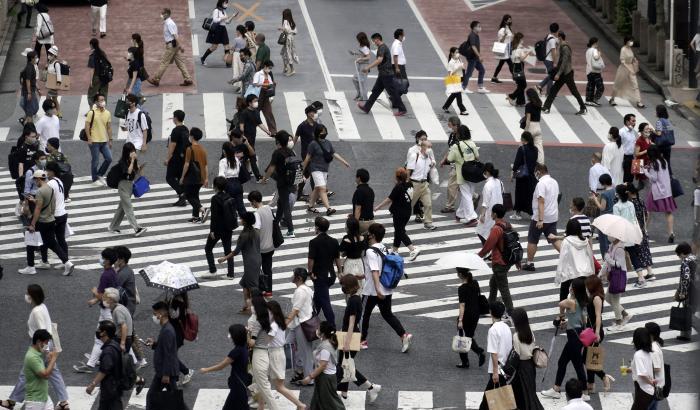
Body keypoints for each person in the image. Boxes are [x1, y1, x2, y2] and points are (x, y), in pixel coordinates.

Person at [1, 285, 70, 410]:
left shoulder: (36, 311)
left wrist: (46, 350)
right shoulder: (42, 307)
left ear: (32, 296)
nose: (26, 295)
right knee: (54, 372)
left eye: (27, 293)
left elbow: (42, 330)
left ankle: (12, 401)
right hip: (46, 344)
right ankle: (63, 401)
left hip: (40, 346)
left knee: (25, 373)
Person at [360, 223, 413, 351]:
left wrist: (377, 290)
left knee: (363, 315)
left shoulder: (370, 251)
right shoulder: (385, 248)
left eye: (368, 233)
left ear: (372, 235)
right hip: (387, 289)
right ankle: (403, 335)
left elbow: (375, 271)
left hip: (372, 290)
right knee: (387, 314)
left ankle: (362, 341)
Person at [541, 278, 590, 400]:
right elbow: (583, 320)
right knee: (563, 362)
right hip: (578, 335)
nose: (569, 288)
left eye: (571, 286)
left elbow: (561, 303)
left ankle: (584, 392)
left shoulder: (571, 302)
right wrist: (568, 323)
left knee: (577, 364)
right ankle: (556, 389)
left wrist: (561, 315)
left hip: (573, 337)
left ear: (573, 289)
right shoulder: (582, 302)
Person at [19, 169, 74, 276]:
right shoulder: (50, 188)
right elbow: (51, 204)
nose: (35, 182)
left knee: (30, 242)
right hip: (50, 220)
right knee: (52, 243)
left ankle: (30, 267)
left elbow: (38, 209)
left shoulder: (40, 191)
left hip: (41, 221)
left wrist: (33, 224)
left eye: (35, 180)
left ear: (39, 179)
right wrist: (35, 201)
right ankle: (67, 262)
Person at [74, 247, 119, 373]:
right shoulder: (112, 272)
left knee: (104, 337)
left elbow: (104, 296)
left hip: (107, 311)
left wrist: (95, 294)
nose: (101, 259)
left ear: (108, 261)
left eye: (103, 258)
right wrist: (95, 300)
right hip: (109, 309)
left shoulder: (106, 275)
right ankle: (92, 362)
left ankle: (91, 365)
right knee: (104, 337)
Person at [337, 275, 381, 402]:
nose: (342, 288)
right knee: (345, 365)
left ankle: (371, 387)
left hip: (349, 336)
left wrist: (346, 343)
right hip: (351, 335)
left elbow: (351, 323)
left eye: (343, 285)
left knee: (345, 366)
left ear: (348, 286)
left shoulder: (353, 301)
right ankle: (344, 393)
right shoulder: (356, 298)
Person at [199, 324, 250, 410]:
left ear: (235, 337)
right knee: (233, 405)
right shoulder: (245, 345)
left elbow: (221, 366)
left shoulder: (235, 352)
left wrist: (206, 370)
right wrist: (247, 331)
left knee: (237, 405)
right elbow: (247, 335)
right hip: (244, 380)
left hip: (237, 382)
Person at [374, 167, 420, 260]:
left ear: (397, 177)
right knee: (398, 230)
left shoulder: (398, 187)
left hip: (399, 213)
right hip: (407, 211)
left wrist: (378, 207)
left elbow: (389, 199)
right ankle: (395, 250)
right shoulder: (410, 184)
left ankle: (412, 249)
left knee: (400, 231)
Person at [303, 124, 350, 215]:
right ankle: (328, 208)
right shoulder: (313, 144)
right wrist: (302, 170)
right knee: (322, 188)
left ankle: (310, 206)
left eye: (325, 131)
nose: (324, 133)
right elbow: (307, 158)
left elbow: (334, 153)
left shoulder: (328, 142)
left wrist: (344, 162)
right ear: (317, 133)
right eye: (322, 132)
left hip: (325, 169)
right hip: (315, 169)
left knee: (317, 188)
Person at [219, 212, 261, 313]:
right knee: (245, 284)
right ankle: (247, 306)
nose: (240, 220)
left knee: (252, 288)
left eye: (241, 219)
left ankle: (256, 309)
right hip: (257, 260)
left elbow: (236, 251)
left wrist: (224, 258)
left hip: (250, 263)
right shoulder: (256, 232)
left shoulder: (245, 235)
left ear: (245, 221)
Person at [357, 33, 407, 116]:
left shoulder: (382, 48)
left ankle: (402, 109)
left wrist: (368, 67)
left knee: (393, 92)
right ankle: (366, 107)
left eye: (373, 41)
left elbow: (379, 60)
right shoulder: (382, 47)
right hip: (383, 74)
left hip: (386, 75)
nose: (373, 43)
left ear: (377, 39)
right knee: (375, 91)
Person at [613, 184, 653, 288]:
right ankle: (638, 277)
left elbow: (617, 222)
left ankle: (639, 278)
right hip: (632, 232)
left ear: (618, 194)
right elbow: (634, 218)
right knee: (632, 255)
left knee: (616, 254)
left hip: (622, 234)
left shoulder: (617, 206)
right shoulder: (630, 204)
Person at [522, 164, 559, 271]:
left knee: (532, 240)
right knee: (554, 238)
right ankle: (569, 258)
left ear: (538, 172)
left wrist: (540, 219)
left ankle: (529, 263)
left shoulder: (541, 184)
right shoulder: (554, 182)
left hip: (541, 217)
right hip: (552, 215)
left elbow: (541, 201)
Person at [478, 204, 514, 313]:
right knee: (493, 283)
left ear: (494, 214)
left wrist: (478, 256)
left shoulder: (496, 229)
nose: (490, 214)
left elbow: (488, 246)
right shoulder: (507, 225)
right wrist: (516, 261)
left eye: (491, 212)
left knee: (503, 289)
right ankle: (491, 305)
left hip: (499, 262)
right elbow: (514, 243)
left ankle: (511, 311)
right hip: (508, 260)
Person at [301, 321, 346, 409]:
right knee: (319, 399)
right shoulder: (329, 341)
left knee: (330, 402)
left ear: (323, 333)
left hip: (326, 379)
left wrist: (310, 377)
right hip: (325, 377)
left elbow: (322, 366)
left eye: (318, 328)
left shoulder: (326, 347)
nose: (316, 330)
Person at [145, 301, 181, 409]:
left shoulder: (167, 331)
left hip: (165, 372)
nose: (154, 316)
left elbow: (168, 354)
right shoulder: (166, 328)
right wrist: (155, 344)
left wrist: (166, 374)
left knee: (151, 396)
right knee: (174, 399)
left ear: (161, 314)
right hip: (166, 371)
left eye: (154, 313)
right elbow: (165, 348)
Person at [541, 31, 586, 115]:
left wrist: (558, 74)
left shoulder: (565, 47)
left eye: (557, 37)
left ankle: (583, 108)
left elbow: (564, 62)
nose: (556, 39)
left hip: (567, 74)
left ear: (560, 37)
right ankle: (546, 107)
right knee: (554, 90)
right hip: (563, 73)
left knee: (574, 91)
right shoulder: (562, 46)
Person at [245, 295, 278, 410]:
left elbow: (251, 343)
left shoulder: (257, 322)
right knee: (262, 386)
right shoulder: (267, 318)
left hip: (258, 355)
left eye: (253, 305)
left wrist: (247, 333)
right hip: (265, 353)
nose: (251, 307)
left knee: (264, 388)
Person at [477, 302, 511, 410]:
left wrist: (495, 372)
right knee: (500, 398)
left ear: (491, 312)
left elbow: (493, 352)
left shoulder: (493, 330)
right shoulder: (506, 327)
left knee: (487, 402)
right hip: (505, 367)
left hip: (497, 369)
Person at [108, 142, 147, 237]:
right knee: (128, 207)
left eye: (134, 150)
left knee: (121, 209)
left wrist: (140, 168)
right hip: (123, 186)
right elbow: (128, 172)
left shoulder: (132, 160)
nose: (133, 152)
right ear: (127, 152)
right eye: (131, 151)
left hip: (130, 186)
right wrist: (133, 160)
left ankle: (113, 227)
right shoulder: (123, 162)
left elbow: (136, 172)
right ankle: (137, 228)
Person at [147, 8, 193, 87]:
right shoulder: (167, 22)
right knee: (180, 63)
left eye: (163, 13)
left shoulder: (169, 23)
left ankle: (156, 79)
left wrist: (180, 46)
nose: (161, 15)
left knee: (164, 62)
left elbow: (175, 35)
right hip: (174, 45)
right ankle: (188, 79)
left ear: (167, 14)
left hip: (171, 46)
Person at [583, 276, 614, 393]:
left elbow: (598, 316)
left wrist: (596, 332)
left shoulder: (596, 298)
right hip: (590, 330)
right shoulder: (592, 296)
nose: (586, 287)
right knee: (589, 357)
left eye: (588, 285)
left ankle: (604, 377)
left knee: (586, 358)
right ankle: (590, 384)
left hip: (595, 331)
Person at [86, 321, 126, 410]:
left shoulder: (108, 350)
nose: (97, 332)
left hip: (110, 387)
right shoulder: (115, 344)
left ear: (104, 333)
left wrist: (92, 385)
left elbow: (104, 370)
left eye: (99, 330)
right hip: (116, 385)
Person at [308, 216, 341, 324]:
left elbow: (311, 259)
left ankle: (332, 325)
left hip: (319, 276)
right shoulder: (334, 241)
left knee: (325, 301)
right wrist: (340, 272)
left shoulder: (314, 242)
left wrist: (310, 272)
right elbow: (337, 258)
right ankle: (310, 319)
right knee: (318, 298)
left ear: (317, 228)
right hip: (331, 275)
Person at [262, 133, 297, 237]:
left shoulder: (277, 153)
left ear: (277, 142)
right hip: (291, 181)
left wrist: (264, 178)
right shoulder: (291, 151)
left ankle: (291, 230)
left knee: (285, 206)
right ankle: (275, 224)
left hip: (282, 182)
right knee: (281, 203)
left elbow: (271, 168)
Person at [445, 125, 479, 226]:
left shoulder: (457, 146)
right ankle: (459, 214)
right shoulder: (472, 143)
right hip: (473, 173)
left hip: (462, 174)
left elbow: (449, 159)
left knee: (466, 195)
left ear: (459, 134)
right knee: (468, 193)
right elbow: (477, 157)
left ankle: (472, 218)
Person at [510, 308, 544, 410]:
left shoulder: (516, 336)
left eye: (513, 319)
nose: (511, 320)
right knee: (529, 390)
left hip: (522, 366)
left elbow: (517, 354)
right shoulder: (530, 333)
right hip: (530, 365)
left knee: (524, 392)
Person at [286, 268, 315, 383]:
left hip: (302, 325)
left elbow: (295, 310)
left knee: (306, 352)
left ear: (298, 278)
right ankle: (299, 370)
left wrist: (285, 323)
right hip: (298, 324)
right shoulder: (306, 289)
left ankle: (308, 378)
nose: (291, 276)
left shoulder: (300, 291)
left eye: (293, 275)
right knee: (287, 345)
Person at [553, 219, 594, 300]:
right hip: (585, 271)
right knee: (584, 292)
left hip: (571, 273)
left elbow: (562, 260)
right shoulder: (585, 241)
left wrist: (558, 278)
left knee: (564, 291)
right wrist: (592, 272)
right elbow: (590, 257)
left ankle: (562, 310)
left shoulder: (566, 241)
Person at [643, 145, 676, 243]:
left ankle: (645, 231)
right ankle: (671, 233)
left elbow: (654, 178)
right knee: (668, 212)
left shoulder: (653, 164)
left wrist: (645, 171)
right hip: (667, 191)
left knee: (648, 210)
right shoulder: (663, 161)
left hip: (656, 191)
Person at [455, 268, 486, 368]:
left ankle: (466, 361)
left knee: (462, 337)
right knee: (469, 336)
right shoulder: (475, 283)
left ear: (460, 274)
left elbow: (462, 306)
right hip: (476, 313)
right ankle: (478, 352)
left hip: (467, 315)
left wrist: (460, 320)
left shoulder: (462, 288)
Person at [205, 177, 235, 277]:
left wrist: (212, 230)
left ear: (215, 186)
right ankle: (231, 274)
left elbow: (214, 216)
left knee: (208, 248)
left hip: (218, 229)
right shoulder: (229, 196)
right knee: (228, 251)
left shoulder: (215, 199)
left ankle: (212, 270)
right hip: (228, 228)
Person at [21, 330, 59, 410]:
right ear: (38, 342)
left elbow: (47, 375)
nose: (46, 346)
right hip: (35, 402)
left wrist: (49, 361)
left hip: (44, 397)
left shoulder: (37, 354)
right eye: (45, 343)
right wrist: (54, 358)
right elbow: (45, 375)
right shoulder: (32, 357)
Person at [603, 235, 632, 332]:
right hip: (613, 276)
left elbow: (618, 264)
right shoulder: (612, 245)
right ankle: (625, 314)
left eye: (610, 235)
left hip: (618, 276)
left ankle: (619, 322)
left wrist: (608, 258)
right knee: (607, 298)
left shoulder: (620, 248)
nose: (608, 236)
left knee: (614, 300)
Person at [240, 94, 271, 181]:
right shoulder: (244, 113)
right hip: (246, 139)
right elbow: (241, 126)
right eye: (254, 101)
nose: (256, 103)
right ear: (249, 103)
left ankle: (243, 173)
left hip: (252, 138)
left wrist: (267, 131)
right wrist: (243, 137)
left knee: (246, 157)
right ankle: (258, 177)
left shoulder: (256, 112)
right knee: (252, 157)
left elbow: (259, 123)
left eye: (257, 101)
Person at [408, 138, 437, 230]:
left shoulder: (429, 158)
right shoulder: (415, 156)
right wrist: (406, 183)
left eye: (431, 147)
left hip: (424, 184)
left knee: (428, 204)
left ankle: (428, 222)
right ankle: (400, 219)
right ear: (422, 147)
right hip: (414, 184)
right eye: (428, 147)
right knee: (409, 205)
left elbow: (432, 166)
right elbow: (408, 171)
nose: (430, 149)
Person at [249, 191, 275, 296]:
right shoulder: (269, 208)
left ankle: (259, 289)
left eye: (251, 202)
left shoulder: (257, 214)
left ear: (254, 201)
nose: (251, 204)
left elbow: (256, 231)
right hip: (270, 245)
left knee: (256, 269)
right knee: (268, 269)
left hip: (261, 247)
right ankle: (269, 290)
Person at [180, 127, 209, 222]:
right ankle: (195, 217)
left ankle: (202, 209)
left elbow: (187, 164)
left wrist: (182, 177)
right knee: (195, 195)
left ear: (191, 136)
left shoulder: (190, 149)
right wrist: (206, 179)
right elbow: (205, 165)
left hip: (192, 177)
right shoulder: (203, 149)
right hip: (201, 177)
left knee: (188, 195)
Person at [85, 93, 113, 187]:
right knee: (95, 161)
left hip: (104, 140)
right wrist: (89, 138)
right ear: (96, 102)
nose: (103, 102)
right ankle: (94, 178)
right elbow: (87, 126)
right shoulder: (91, 112)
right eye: (100, 100)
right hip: (94, 141)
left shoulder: (107, 113)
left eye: (103, 100)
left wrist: (110, 139)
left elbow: (109, 127)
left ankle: (100, 174)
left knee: (109, 158)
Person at [294, 105, 321, 199]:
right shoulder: (302, 126)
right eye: (312, 112)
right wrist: (289, 150)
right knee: (313, 174)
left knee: (304, 173)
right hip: (306, 153)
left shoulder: (317, 125)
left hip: (315, 153)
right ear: (308, 114)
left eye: (314, 112)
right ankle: (316, 196)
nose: (314, 114)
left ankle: (298, 193)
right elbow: (295, 138)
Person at [609, 36, 644, 108]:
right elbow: (622, 61)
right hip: (623, 69)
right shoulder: (623, 49)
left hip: (631, 68)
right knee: (618, 85)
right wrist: (629, 68)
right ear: (626, 41)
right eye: (630, 41)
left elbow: (631, 57)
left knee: (635, 85)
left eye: (632, 41)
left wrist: (634, 61)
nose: (631, 42)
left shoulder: (630, 49)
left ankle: (639, 101)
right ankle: (612, 99)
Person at [164, 109, 189, 206]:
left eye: (173, 117)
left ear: (175, 118)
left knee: (169, 178)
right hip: (183, 157)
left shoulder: (175, 131)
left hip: (176, 158)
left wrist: (168, 159)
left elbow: (172, 146)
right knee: (179, 178)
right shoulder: (185, 129)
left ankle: (182, 193)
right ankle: (182, 199)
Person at [511, 131, 538, 219]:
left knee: (519, 194)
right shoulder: (535, 149)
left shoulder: (521, 149)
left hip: (522, 176)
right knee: (530, 195)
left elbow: (516, 164)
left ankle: (517, 213)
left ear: (523, 139)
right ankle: (531, 213)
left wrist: (513, 170)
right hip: (531, 175)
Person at [201, 0, 236, 67]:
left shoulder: (224, 11)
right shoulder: (216, 10)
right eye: (225, 3)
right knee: (214, 47)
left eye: (227, 3)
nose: (227, 4)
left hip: (223, 29)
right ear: (221, 3)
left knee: (226, 46)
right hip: (217, 29)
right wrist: (223, 17)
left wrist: (232, 17)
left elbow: (227, 22)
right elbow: (215, 20)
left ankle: (228, 62)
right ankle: (203, 58)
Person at [44, 162, 68, 258]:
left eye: (48, 171)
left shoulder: (50, 183)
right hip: (63, 213)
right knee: (61, 239)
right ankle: (66, 258)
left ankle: (46, 259)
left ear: (52, 172)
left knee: (48, 238)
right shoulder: (59, 181)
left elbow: (46, 199)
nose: (46, 173)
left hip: (55, 215)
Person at [674, 242, 696, 341]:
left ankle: (686, 334)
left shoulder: (685, 262)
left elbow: (685, 279)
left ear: (682, 253)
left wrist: (682, 292)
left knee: (688, 312)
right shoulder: (696, 259)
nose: (679, 257)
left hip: (691, 291)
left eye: (679, 255)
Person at [630, 327, 656, 409]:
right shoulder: (647, 352)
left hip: (643, 389)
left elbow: (642, 374)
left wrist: (652, 383)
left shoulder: (638, 354)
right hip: (648, 390)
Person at [589, 173, 615, 256]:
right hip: (613, 216)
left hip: (604, 218)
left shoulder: (605, 194)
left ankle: (605, 258)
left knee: (603, 239)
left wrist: (595, 199)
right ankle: (611, 256)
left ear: (603, 183)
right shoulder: (615, 190)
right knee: (611, 239)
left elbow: (602, 208)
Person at [476, 163, 504, 241]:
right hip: (499, 211)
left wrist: (482, 215)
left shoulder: (488, 185)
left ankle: (488, 251)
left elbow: (485, 203)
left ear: (487, 172)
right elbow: (502, 193)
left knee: (481, 233)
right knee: (493, 233)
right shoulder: (499, 182)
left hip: (490, 212)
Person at [461, 21, 489, 93]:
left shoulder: (476, 35)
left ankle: (480, 87)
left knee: (482, 70)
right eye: (479, 26)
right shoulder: (472, 35)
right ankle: (463, 87)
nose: (480, 28)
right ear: (474, 27)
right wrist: (479, 56)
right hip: (472, 58)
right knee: (469, 73)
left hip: (475, 58)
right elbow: (473, 46)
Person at [506, 33, 533, 106]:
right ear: (520, 39)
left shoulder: (515, 48)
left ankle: (520, 101)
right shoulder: (518, 49)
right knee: (523, 85)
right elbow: (522, 58)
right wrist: (528, 53)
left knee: (520, 85)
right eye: (522, 39)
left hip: (516, 66)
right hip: (518, 67)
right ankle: (512, 96)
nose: (523, 40)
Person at [644, 322, 665, 410]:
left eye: (645, 331)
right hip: (656, 385)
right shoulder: (654, 344)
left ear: (650, 334)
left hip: (653, 386)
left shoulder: (653, 349)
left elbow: (656, 368)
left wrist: (640, 367)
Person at [442, 47, 468, 114]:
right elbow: (450, 74)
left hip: (459, 79)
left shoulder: (459, 60)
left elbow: (462, 69)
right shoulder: (451, 62)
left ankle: (445, 106)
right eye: (456, 52)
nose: (458, 54)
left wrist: (462, 67)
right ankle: (462, 110)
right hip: (455, 80)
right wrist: (458, 68)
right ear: (452, 53)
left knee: (454, 94)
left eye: (458, 52)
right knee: (458, 94)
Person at [536, 23, 559, 96]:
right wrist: (555, 62)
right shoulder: (552, 40)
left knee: (550, 75)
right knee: (551, 76)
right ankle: (547, 91)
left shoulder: (548, 36)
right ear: (557, 30)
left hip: (546, 59)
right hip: (549, 60)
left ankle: (541, 87)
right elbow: (553, 52)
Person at [490, 15, 514, 83]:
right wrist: (505, 35)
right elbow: (501, 41)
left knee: (501, 64)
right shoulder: (502, 29)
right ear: (505, 20)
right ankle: (516, 78)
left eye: (510, 19)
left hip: (507, 49)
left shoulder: (508, 28)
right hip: (504, 50)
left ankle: (494, 77)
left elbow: (510, 38)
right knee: (510, 64)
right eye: (509, 19)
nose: (510, 21)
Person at [19, 49, 39, 126]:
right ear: (32, 58)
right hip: (29, 91)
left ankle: (25, 121)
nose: (37, 58)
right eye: (36, 57)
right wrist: (29, 93)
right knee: (31, 110)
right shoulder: (29, 68)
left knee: (34, 108)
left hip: (31, 90)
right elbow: (28, 80)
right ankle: (29, 126)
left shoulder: (31, 66)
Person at [524, 89, 544, 164]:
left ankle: (521, 164)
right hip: (538, 126)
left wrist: (526, 130)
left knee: (524, 146)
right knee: (539, 147)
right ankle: (541, 164)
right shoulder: (539, 103)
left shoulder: (528, 105)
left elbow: (528, 119)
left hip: (531, 127)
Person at [87, 39, 110, 104]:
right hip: (105, 77)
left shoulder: (92, 55)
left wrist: (91, 80)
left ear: (91, 45)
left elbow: (92, 68)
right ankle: (103, 110)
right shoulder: (103, 53)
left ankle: (92, 110)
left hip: (96, 77)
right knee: (103, 95)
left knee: (91, 95)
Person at [352, 168, 375, 233]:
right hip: (371, 222)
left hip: (362, 223)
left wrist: (355, 224)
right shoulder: (371, 190)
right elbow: (367, 205)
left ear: (359, 178)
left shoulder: (359, 191)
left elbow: (358, 208)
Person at [124, 34, 146, 100]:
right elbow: (130, 77)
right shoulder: (132, 62)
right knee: (131, 101)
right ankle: (140, 96)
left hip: (136, 82)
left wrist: (130, 88)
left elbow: (134, 77)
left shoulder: (134, 63)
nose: (127, 54)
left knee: (133, 102)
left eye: (129, 53)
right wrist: (126, 86)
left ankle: (140, 97)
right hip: (133, 81)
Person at [584, 37, 605, 106]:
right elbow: (596, 58)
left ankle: (588, 100)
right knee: (600, 87)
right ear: (595, 43)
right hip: (595, 71)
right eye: (597, 43)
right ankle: (595, 99)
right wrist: (599, 54)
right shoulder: (595, 50)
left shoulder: (588, 50)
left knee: (590, 85)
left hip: (589, 71)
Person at [654, 104, 674, 172]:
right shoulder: (667, 121)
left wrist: (653, 131)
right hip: (668, 145)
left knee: (657, 160)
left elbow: (659, 133)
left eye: (656, 111)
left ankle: (659, 173)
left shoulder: (659, 121)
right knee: (667, 160)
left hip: (661, 144)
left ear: (658, 112)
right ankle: (669, 175)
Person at [352, 32, 371, 101]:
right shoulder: (362, 46)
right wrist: (355, 53)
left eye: (358, 39)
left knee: (362, 82)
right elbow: (362, 54)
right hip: (360, 65)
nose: (357, 40)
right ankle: (360, 93)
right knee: (355, 79)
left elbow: (368, 57)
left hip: (364, 66)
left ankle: (364, 97)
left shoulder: (365, 47)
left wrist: (360, 59)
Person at [634, 122, 653, 190]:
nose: (648, 130)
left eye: (649, 128)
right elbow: (636, 154)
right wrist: (647, 151)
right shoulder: (639, 141)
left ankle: (632, 195)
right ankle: (651, 200)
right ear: (642, 131)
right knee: (649, 186)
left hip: (648, 164)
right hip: (641, 165)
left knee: (641, 186)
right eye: (647, 129)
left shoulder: (648, 138)